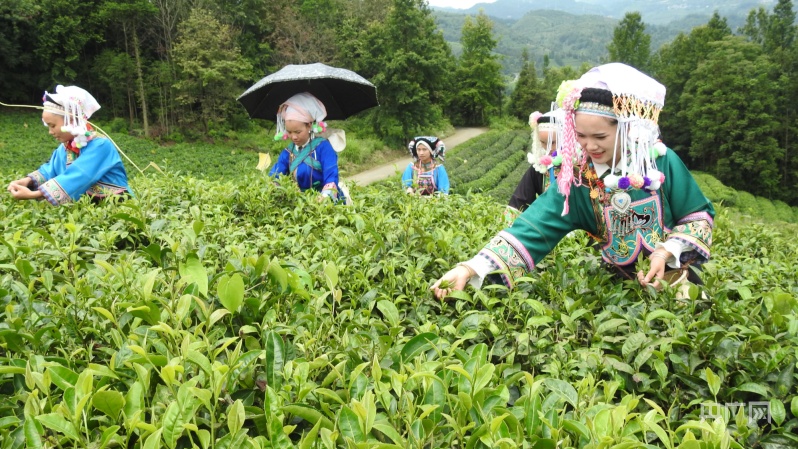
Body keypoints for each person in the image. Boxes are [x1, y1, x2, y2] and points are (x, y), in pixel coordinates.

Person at [431, 63, 715, 297]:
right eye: (581, 136)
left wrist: (666, 251)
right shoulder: (578, 177)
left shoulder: (659, 162)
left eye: (600, 137)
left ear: (627, 129)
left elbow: (698, 217)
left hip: (678, 281)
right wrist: (471, 268)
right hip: (617, 291)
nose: (590, 146)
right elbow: (533, 228)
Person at [6, 85, 131, 206]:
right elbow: (50, 169)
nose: (50, 132)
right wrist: (26, 181)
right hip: (90, 206)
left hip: (118, 204)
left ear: (71, 120)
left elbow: (79, 176)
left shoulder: (101, 146)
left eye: (53, 125)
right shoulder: (65, 147)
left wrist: (34, 194)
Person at [269, 92, 347, 203]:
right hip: (300, 203)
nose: (294, 137)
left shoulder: (324, 148)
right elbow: (276, 175)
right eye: (289, 132)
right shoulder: (288, 152)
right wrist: (273, 185)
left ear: (309, 125)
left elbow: (331, 176)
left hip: (324, 202)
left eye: (298, 132)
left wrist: (324, 197)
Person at [505, 108, 565, 224]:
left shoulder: (580, 167)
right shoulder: (540, 168)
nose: (547, 148)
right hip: (549, 227)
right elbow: (520, 200)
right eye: (543, 142)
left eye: (552, 142)